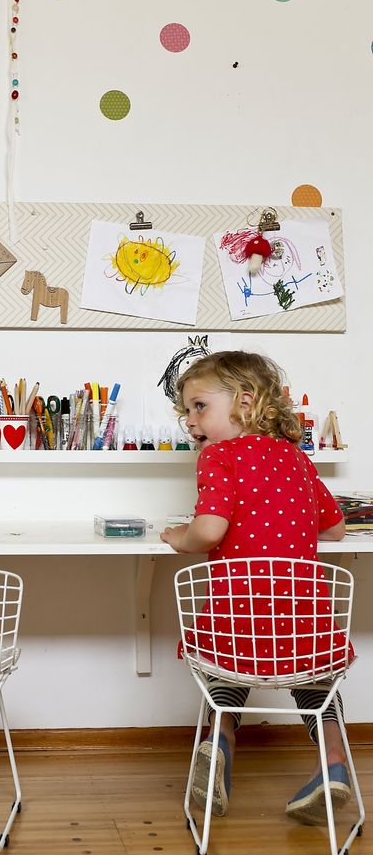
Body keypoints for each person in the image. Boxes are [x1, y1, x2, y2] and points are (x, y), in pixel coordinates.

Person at [160, 350, 351, 824]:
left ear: (244, 402)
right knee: (317, 685)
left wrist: (177, 536)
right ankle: (333, 765)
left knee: (224, 675)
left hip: (238, 618)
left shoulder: (219, 457)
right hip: (303, 623)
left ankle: (218, 745)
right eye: (185, 411)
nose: (190, 420)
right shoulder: (295, 457)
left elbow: (208, 531)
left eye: (199, 406)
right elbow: (337, 529)